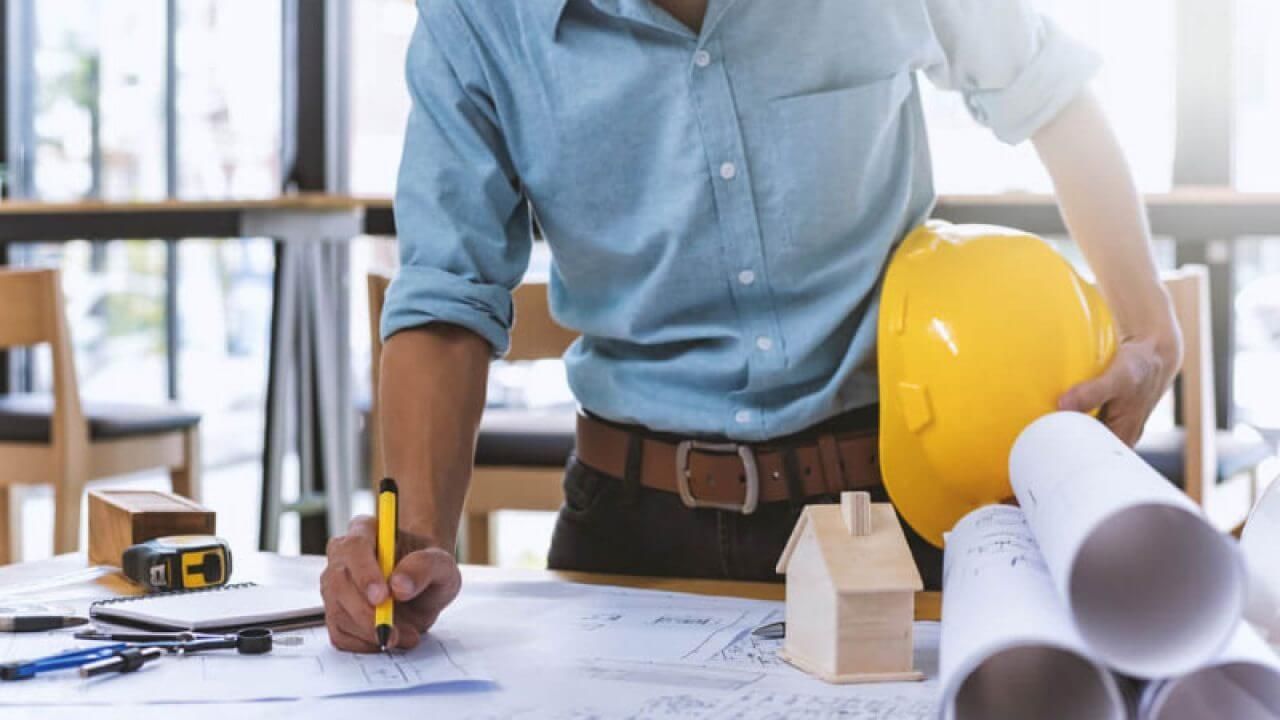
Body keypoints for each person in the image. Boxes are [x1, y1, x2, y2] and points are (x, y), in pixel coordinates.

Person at [321, 0, 1182, 652]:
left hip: (890, 509)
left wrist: (1151, 331)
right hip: (629, 524)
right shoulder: (478, 18)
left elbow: (1053, 92)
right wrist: (418, 540)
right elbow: (446, 293)